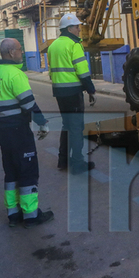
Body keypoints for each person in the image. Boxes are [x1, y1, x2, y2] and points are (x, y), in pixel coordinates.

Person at [0, 38, 54, 228]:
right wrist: (42, 122)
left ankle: (13, 213)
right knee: (27, 171)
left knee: (11, 171)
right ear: (11, 53)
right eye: (19, 49)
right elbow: (28, 103)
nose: (22, 52)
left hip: (0, 130)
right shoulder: (15, 75)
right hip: (17, 130)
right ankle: (31, 215)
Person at [47, 13, 96, 173]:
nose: (79, 29)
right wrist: (91, 89)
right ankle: (77, 163)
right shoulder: (74, 44)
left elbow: (51, 72)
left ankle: (63, 161)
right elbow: (82, 71)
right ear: (69, 28)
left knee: (66, 125)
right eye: (77, 26)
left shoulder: (53, 46)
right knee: (76, 128)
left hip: (59, 92)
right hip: (73, 92)